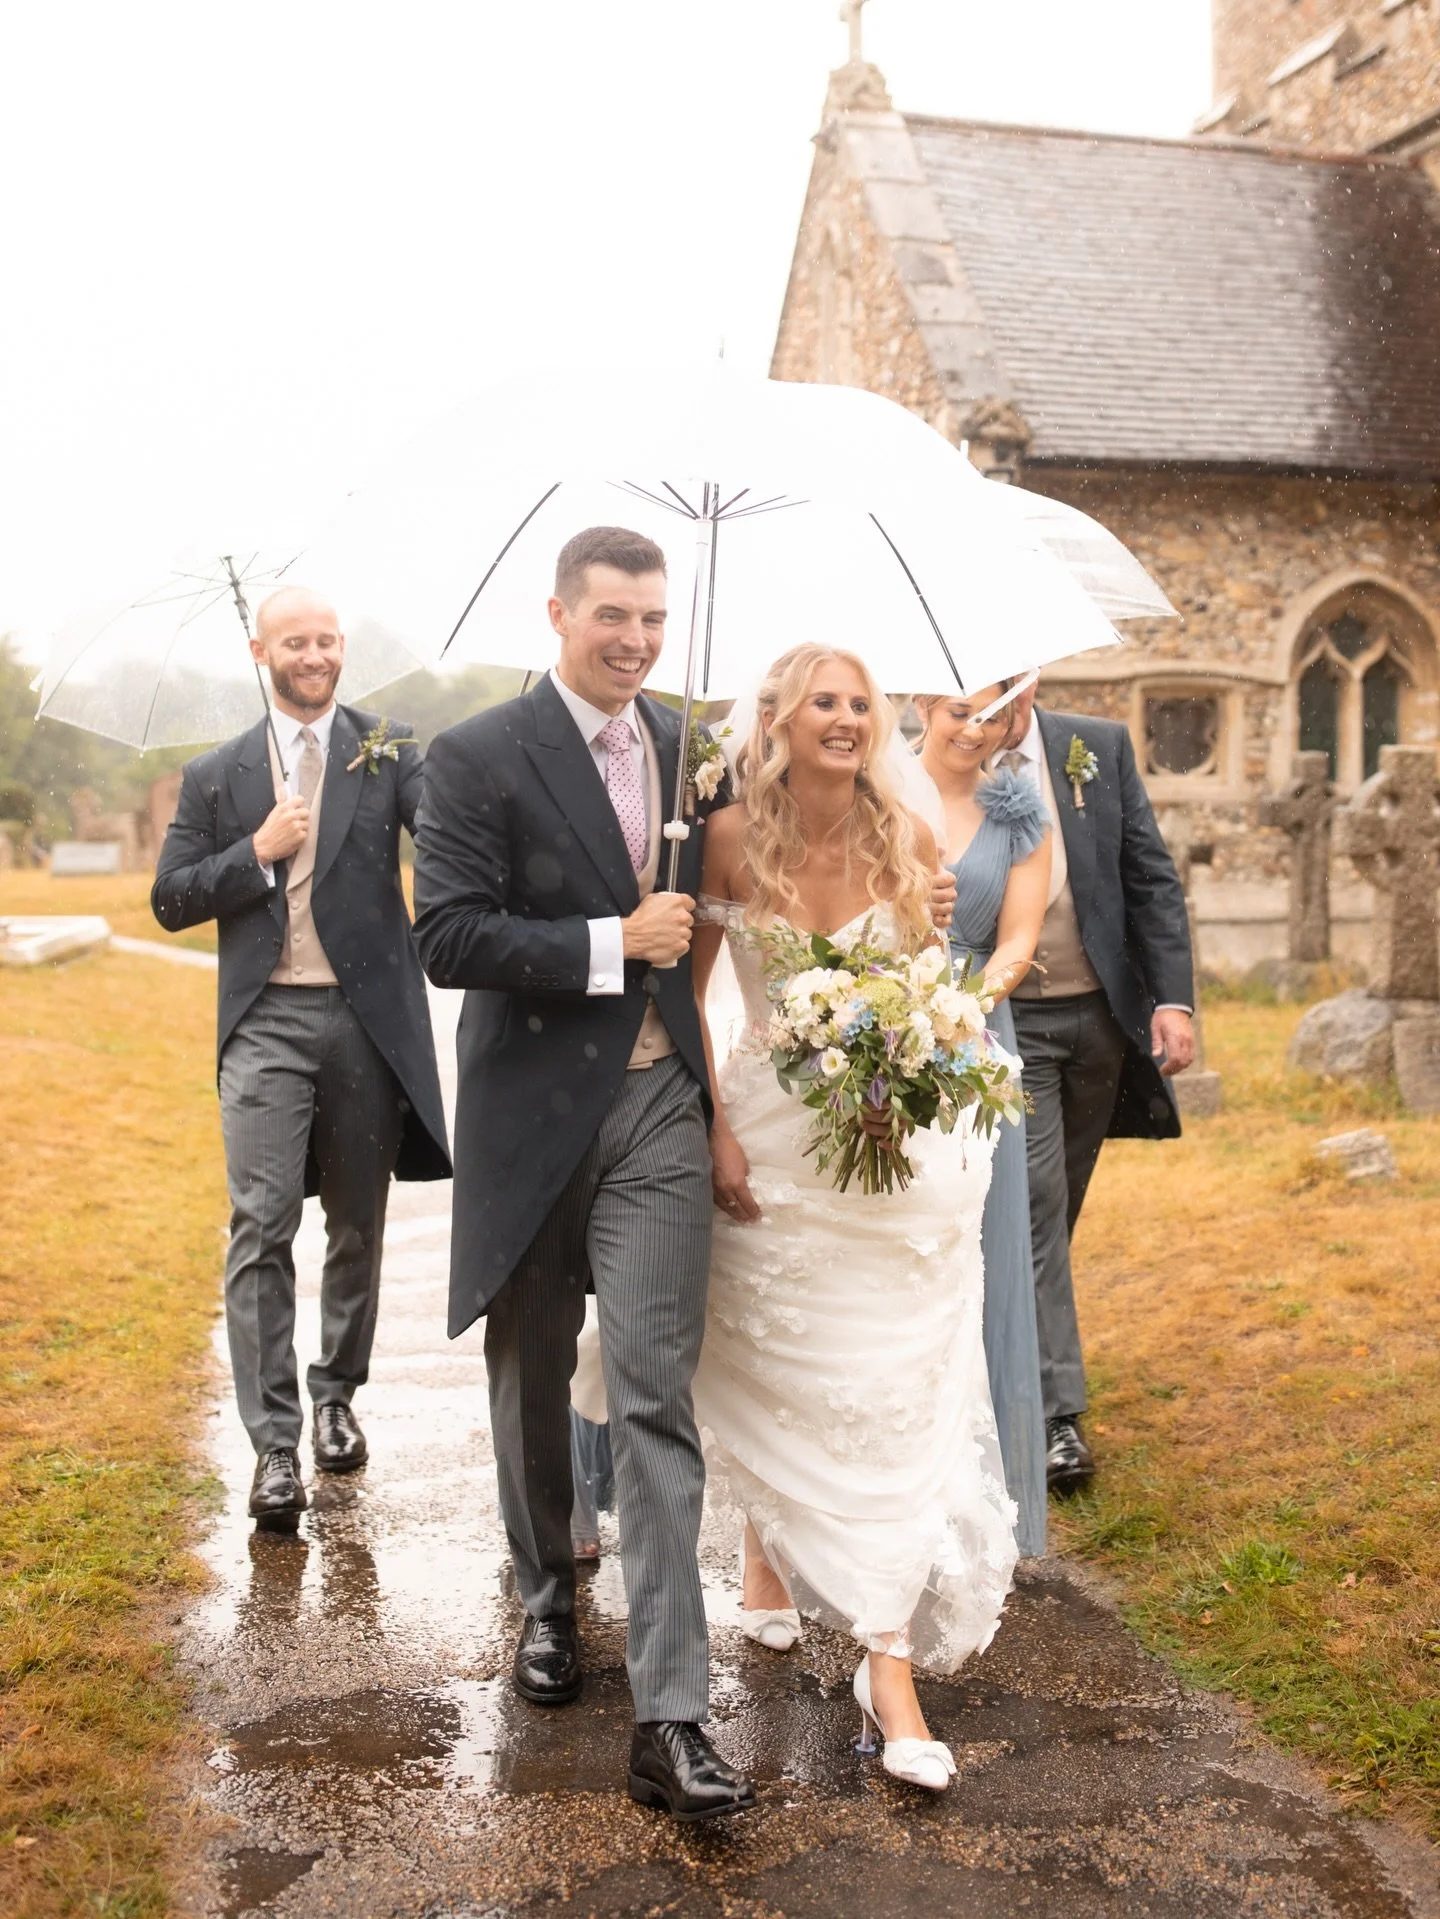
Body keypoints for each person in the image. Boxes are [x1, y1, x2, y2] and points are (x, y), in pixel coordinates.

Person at [411, 526, 755, 1824]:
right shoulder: (475, 755)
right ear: (556, 611)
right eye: (613, 614)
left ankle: (673, 1710)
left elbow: (727, 894)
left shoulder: (686, 744)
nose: (636, 640)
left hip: (662, 1108)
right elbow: (446, 934)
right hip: (533, 1119)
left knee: (658, 1395)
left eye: (655, 619)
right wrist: (612, 938)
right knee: (532, 1370)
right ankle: (550, 1595)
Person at [691, 643, 1018, 1797]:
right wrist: (717, 1126)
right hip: (773, 1135)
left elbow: (929, 991)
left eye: (857, 704)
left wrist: (937, 955)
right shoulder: (727, 839)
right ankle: (770, 1555)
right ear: (777, 718)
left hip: (891, 1151)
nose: (841, 718)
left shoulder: (907, 835)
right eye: (820, 702)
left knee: (885, 1384)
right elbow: (689, 997)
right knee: (785, 1361)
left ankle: (889, 1665)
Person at [151, 586, 451, 1530]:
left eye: (327, 640)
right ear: (261, 649)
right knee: (263, 1225)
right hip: (265, 1023)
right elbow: (170, 897)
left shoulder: (391, 744)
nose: (315, 655)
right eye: (297, 641)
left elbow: (448, 833)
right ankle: (274, 1443)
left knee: (359, 1223)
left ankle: (335, 1398)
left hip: (366, 1022)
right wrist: (256, 848)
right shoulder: (216, 774)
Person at [998, 685, 1194, 1492]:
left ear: (1031, 682)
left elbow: (1149, 877)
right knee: (1038, 1203)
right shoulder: (937, 757)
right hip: (1010, 1024)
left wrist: (1172, 998)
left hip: (1100, 1019)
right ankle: (1056, 1418)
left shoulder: (1096, 746)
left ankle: (1009, 1355)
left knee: (1055, 1209)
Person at [916, 682, 1051, 1558]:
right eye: (962, 709)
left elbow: (1017, 938)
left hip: (973, 1035)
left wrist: (964, 1003)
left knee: (986, 1253)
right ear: (925, 703)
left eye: (996, 715)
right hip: (878, 1018)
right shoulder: (875, 796)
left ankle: (987, 1506)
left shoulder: (1019, 813)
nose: (977, 728)